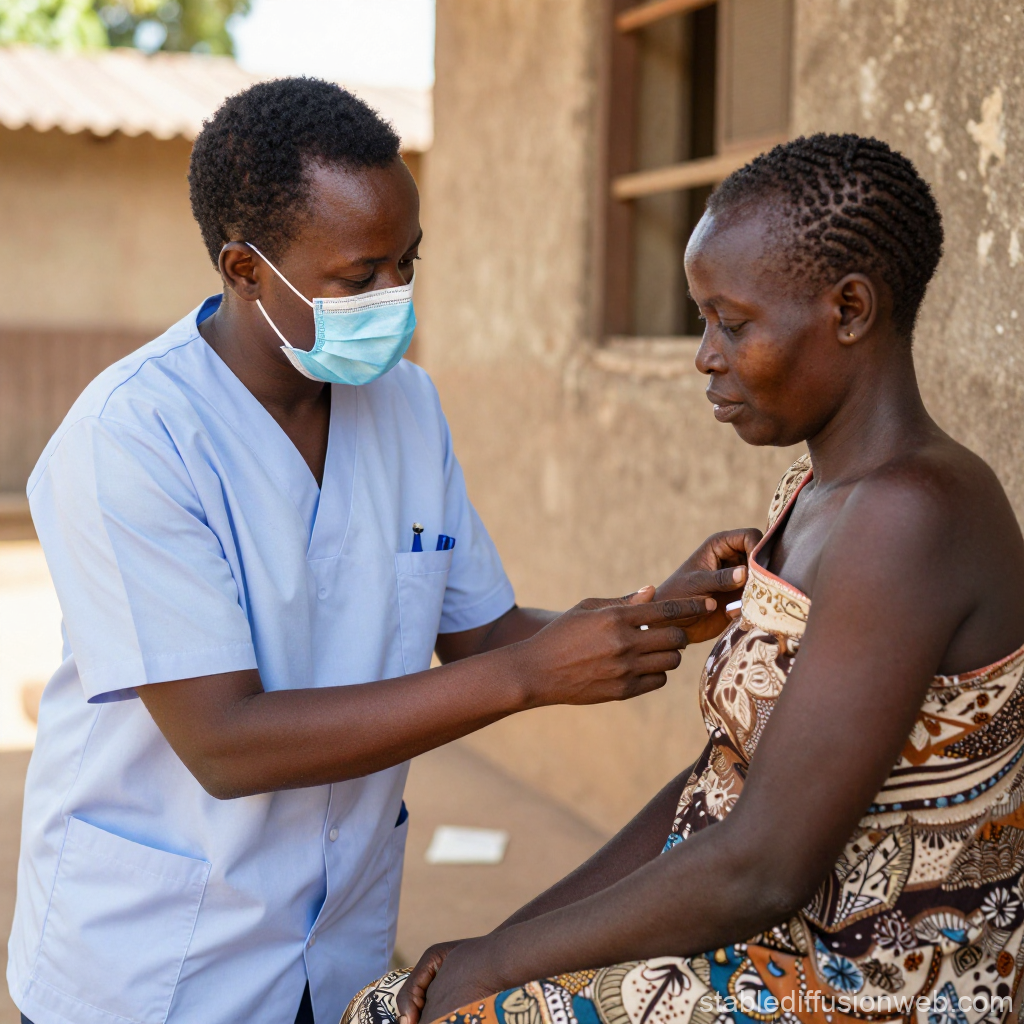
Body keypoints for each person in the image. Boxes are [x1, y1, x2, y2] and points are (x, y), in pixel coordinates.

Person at [5, 79, 751, 1024]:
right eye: (358, 279)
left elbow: (486, 637)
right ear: (245, 268)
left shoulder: (405, 406)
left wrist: (666, 612)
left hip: (336, 947)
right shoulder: (132, 438)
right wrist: (529, 676)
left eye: (407, 263)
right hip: (156, 960)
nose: (392, 298)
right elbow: (226, 743)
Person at [344, 134, 1024, 1024]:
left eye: (732, 323)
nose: (705, 355)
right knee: (409, 1002)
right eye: (702, 320)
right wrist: (500, 947)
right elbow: (716, 790)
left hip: (870, 989)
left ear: (850, 309)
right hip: (766, 947)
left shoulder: (912, 514)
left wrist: (501, 960)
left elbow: (763, 866)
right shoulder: (814, 492)